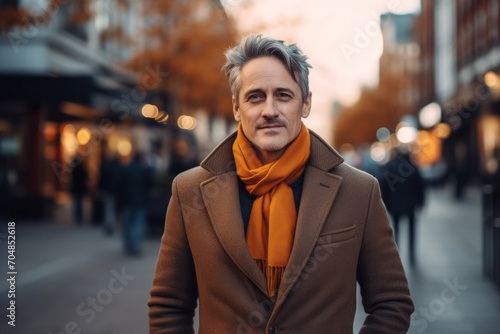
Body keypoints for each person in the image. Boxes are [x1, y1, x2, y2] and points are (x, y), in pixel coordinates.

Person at [149, 35, 414, 333]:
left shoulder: (358, 191)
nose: (270, 110)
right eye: (255, 96)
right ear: (237, 108)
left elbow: (392, 303)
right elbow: (169, 305)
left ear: (306, 104)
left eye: (284, 96)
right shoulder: (189, 191)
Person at [381, 149, 426, 264]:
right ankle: (412, 253)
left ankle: (396, 253)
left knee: (395, 230)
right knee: (412, 230)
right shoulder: (413, 168)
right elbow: (420, 187)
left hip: (394, 205)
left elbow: (385, 187)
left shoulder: (390, 168)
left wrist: (385, 203)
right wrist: (421, 202)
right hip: (410, 205)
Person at [119, 152, 153, 256]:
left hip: (128, 201)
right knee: (138, 224)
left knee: (128, 224)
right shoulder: (144, 170)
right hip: (140, 201)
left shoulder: (126, 169)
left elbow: (120, 185)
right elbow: (150, 184)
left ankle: (129, 244)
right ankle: (135, 246)